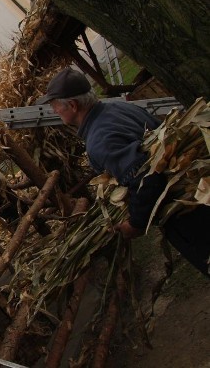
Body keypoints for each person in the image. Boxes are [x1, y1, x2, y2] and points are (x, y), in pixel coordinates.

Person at [36, 67, 209, 277]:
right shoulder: (120, 108)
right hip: (200, 190)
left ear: (72, 105)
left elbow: (147, 179)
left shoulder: (100, 140)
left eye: (55, 106)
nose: (55, 111)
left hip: (190, 214)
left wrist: (135, 224)